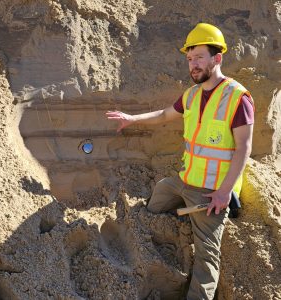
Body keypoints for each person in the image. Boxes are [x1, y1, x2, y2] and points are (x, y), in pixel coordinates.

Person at [106, 23, 254, 300]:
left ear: (217, 58)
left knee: (206, 257)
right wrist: (132, 119)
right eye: (189, 59)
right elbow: (164, 115)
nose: (193, 65)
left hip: (210, 192)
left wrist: (224, 193)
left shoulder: (237, 98)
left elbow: (244, 148)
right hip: (184, 180)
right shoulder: (193, 94)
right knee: (157, 199)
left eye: (199, 57)